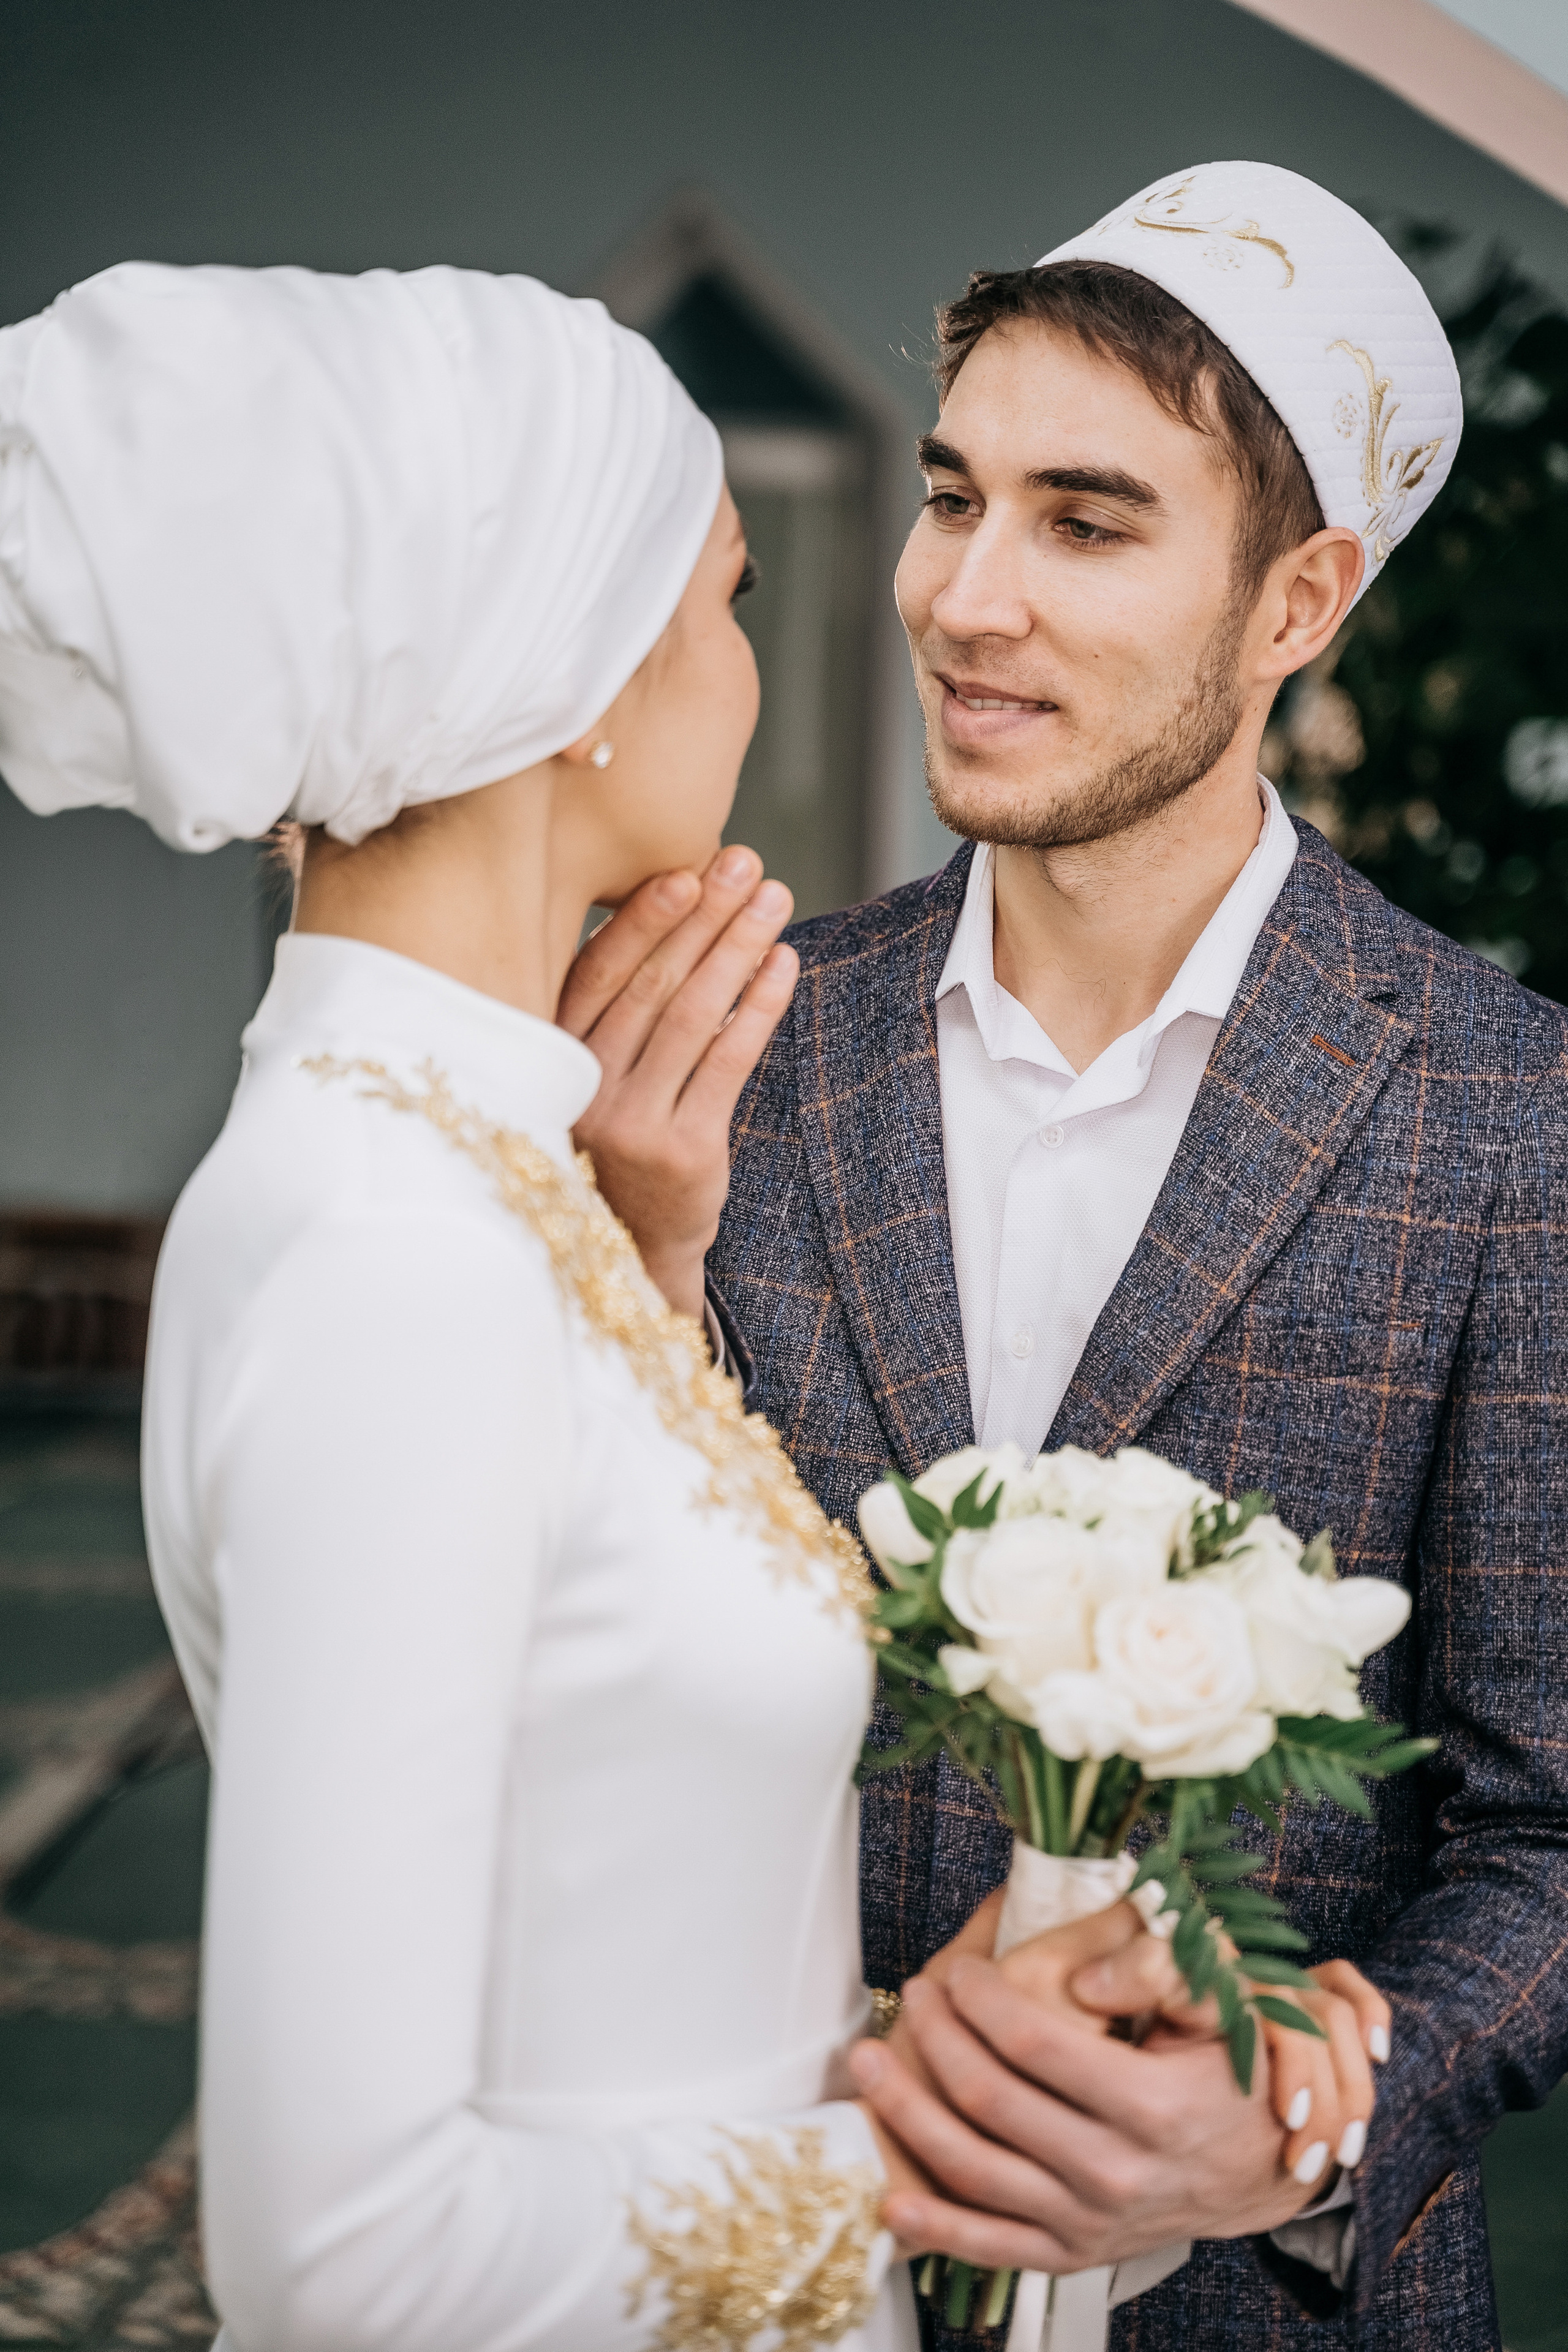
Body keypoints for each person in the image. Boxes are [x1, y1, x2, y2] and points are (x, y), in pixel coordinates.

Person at [0, 252, 1382, 2352]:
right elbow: (340, 2252)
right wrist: (942, 2168)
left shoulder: (474, 1182)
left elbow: (603, 1886)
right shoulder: (398, 1251)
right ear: (574, 677)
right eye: (731, 596)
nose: (926, 610)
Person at [561, 162, 1568, 2351]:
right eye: (956, 499)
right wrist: (628, 1277)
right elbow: (580, 1667)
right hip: (752, 2262)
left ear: (1298, 600)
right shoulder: (737, 1042)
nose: (964, 597)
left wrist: (1298, 2118)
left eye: (1086, 523)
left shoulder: (1513, 1116)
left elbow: (1553, 1834)